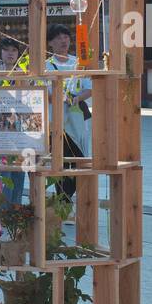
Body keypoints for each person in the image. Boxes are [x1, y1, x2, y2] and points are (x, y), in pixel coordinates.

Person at [46, 24, 92, 199]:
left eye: (65, 37)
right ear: (50, 43)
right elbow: (43, 93)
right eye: (58, 38)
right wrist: (59, 97)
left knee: (80, 158)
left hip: (77, 120)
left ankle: (71, 199)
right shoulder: (46, 65)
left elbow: (89, 89)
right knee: (60, 160)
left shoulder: (78, 63)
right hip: (55, 121)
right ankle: (63, 201)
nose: (63, 41)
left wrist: (76, 98)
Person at [0, 35, 25, 206]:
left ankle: (16, 211)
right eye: (6, 50)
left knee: (19, 171)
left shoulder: (26, 74)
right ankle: (3, 212)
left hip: (21, 130)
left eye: (14, 50)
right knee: (4, 172)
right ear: (0, 53)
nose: (10, 53)